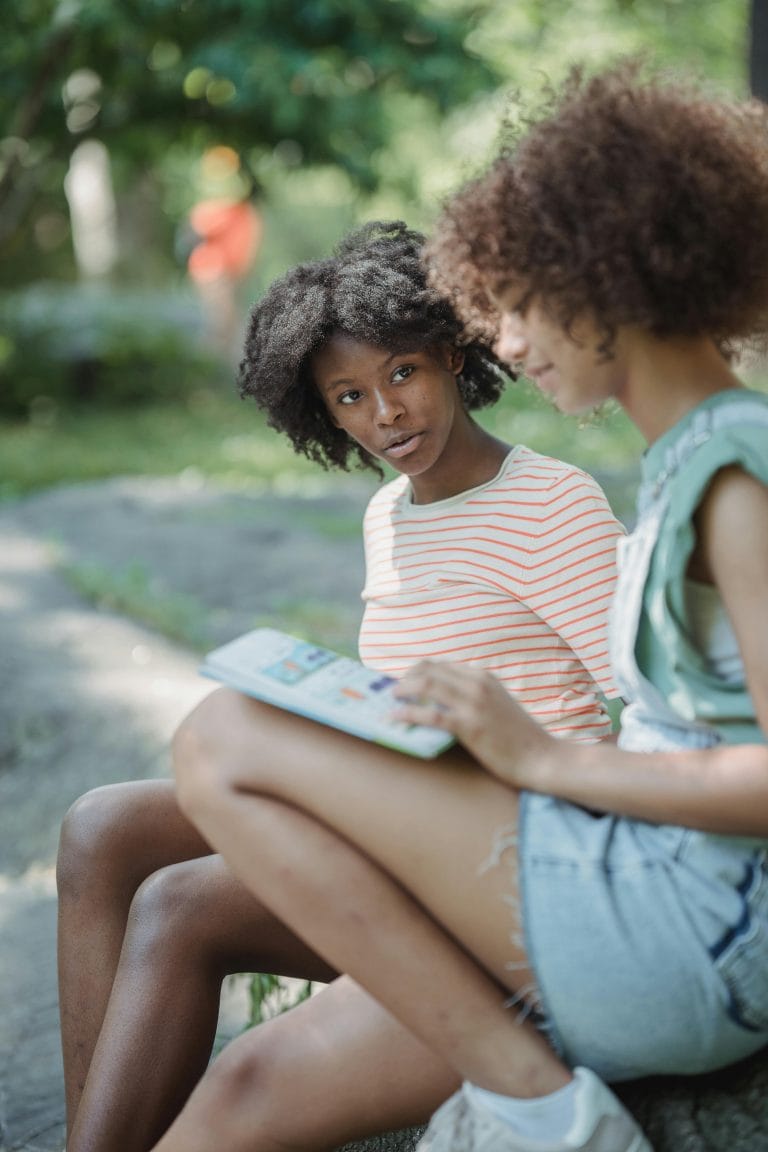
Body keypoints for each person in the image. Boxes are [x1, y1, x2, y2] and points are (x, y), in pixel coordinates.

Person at [153, 62, 768, 1152]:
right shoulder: (688, 460)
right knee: (238, 1095)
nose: (507, 347)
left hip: (701, 932)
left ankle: (541, 1110)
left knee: (222, 735)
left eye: (519, 305)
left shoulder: (735, 471)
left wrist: (541, 762)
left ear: (611, 283)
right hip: (663, 893)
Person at [57, 220, 625, 1152]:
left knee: (180, 904)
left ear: (450, 353)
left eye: (401, 374)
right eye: (350, 398)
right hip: (393, 809)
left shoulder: (550, 502)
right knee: (102, 827)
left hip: (504, 843)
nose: (386, 415)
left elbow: (630, 713)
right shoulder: (386, 516)